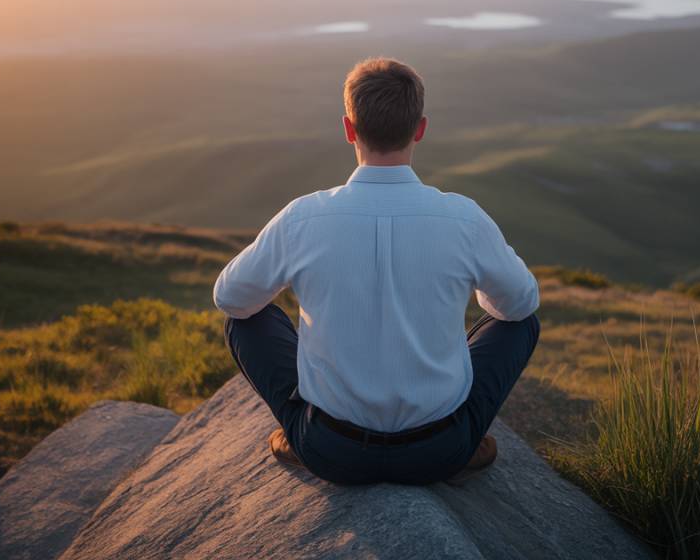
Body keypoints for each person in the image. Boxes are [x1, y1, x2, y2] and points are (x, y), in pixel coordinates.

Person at [214, 56, 540, 486]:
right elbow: (520, 304)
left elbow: (230, 297)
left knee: (246, 321)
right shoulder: (463, 218)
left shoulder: (303, 218)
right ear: (420, 128)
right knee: (521, 325)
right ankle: (469, 437)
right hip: (439, 451)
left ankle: (298, 432)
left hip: (332, 451)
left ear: (348, 128)